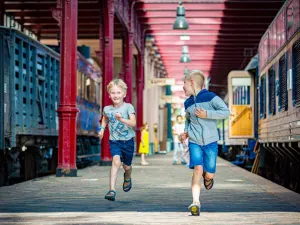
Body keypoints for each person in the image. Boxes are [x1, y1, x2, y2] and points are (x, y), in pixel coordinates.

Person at [179, 70, 229, 216]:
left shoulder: (210, 97)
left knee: (209, 174)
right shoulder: (187, 102)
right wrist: (186, 132)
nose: (183, 87)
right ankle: (195, 202)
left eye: (184, 84)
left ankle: (208, 177)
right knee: (197, 169)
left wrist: (207, 114)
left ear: (192, 82)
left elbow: (225, 112)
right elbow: (188, 120)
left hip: (211, 141)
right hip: (194, 141)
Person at [98, 79, 136, 202]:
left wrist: (121, 119)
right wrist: (102, 129)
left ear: (124, 94)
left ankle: (127, 177)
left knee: (127, 167)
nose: (116, 95)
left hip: (128, 141)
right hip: (114, 141)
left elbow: (133, 123)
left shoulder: (128, 107)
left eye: (118, 93)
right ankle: (112, 190)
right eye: (113, 93)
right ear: (109, 95)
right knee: (115, 162)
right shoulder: (107, 109)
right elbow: (105, 118)